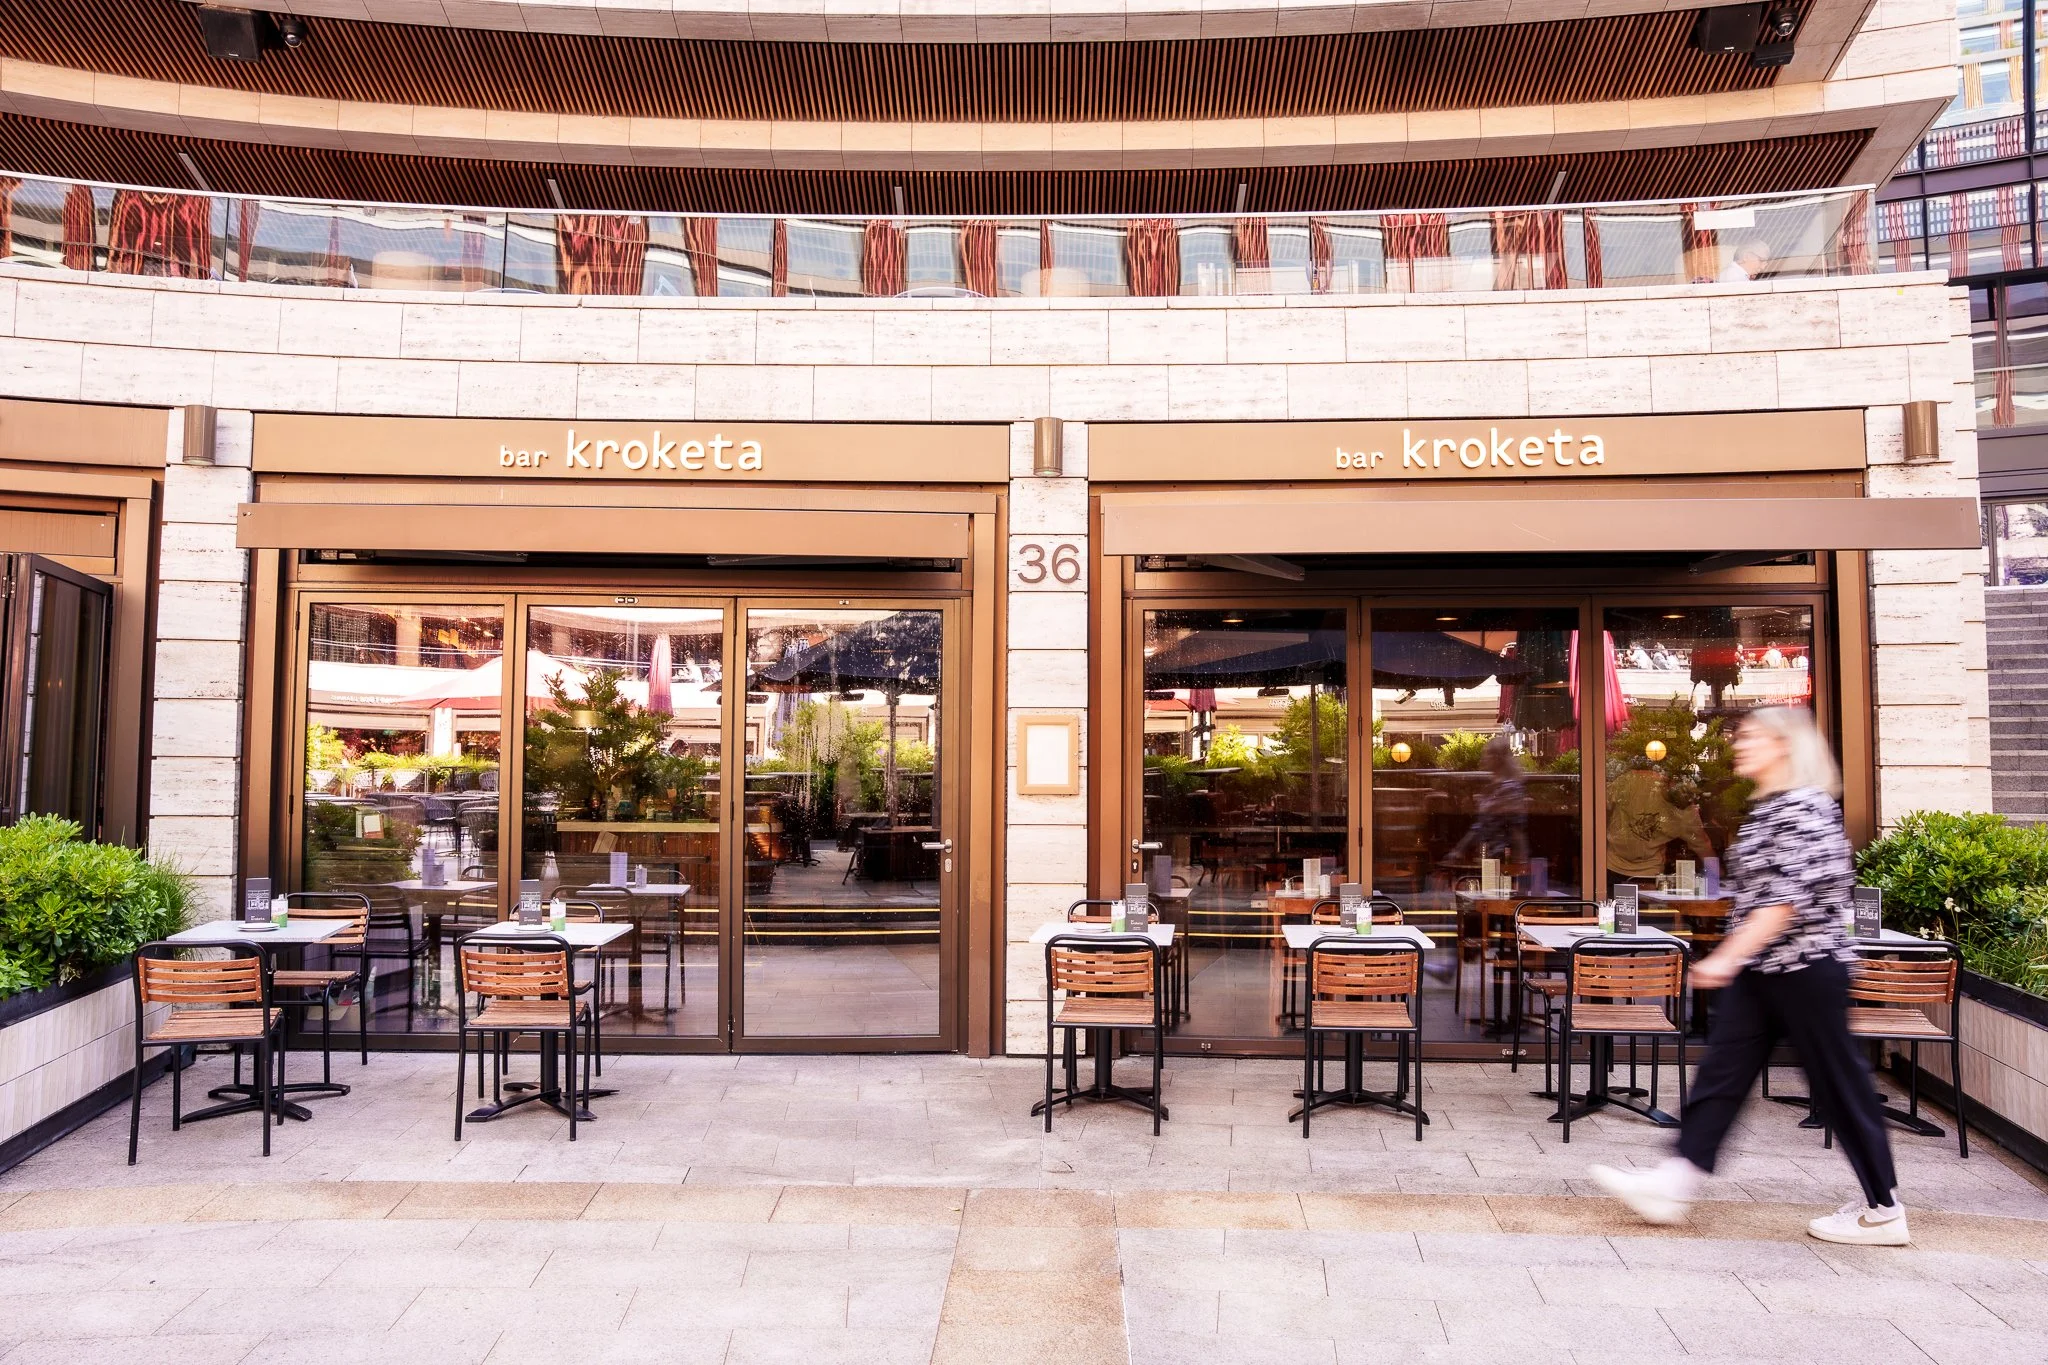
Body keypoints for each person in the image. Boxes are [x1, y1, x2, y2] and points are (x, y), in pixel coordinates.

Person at [1588, 706, 1907, 1246]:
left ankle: (1883, 1209)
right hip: (1765, 970)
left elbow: (1785, 902)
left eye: (1752, 737)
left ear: (1784, 745)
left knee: (1839, 1084)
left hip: (1806, 969)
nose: (1739, 744)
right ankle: (1673, 1183)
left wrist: (1725, 957)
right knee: (1723, 1074)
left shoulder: (1804, 808)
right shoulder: (1770, 808)